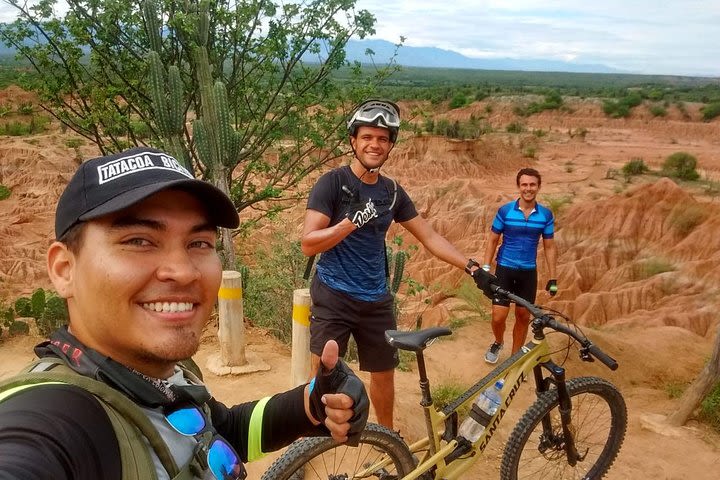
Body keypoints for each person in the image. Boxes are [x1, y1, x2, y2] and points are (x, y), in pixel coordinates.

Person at [0, 147, 369, 480]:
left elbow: (220, 431)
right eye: (139, 241)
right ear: (64, 269)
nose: (184, 270)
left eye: (198, 243)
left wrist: (312, 402)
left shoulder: (155, 376)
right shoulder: (57, 418)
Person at [301, 99, 480, 430]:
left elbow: (428, 236)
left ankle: (385, 438)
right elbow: (308, 242)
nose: (375, 144)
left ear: (390, 145)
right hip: (333, 295)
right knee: (321, 370)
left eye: (383, 139)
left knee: (383, 375)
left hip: (376, 299)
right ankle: (304, 440)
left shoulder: (392, 192)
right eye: (367, 137)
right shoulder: (332, 184)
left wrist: (471, 266)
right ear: (353, 141)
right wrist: (348, 223)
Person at [481, 167, 557, 364]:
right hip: (505, 269)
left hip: (528, 273)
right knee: (498, 316)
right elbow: (492, 240)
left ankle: (515, 360)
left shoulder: (546, 215)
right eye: (524, 184)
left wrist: (553, 278)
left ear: (538, 187)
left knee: (523, 317)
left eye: (532, 184)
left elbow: (549, 247)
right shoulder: (505, 211)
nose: (528, 188)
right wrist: (486, 269)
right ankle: (498, 342)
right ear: (518, 186)